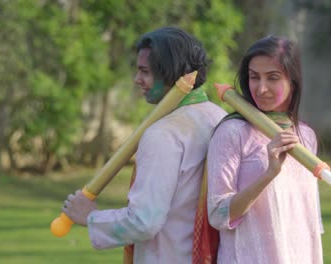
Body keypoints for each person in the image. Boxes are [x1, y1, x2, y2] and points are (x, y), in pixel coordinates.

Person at [63, 27, 227, 263]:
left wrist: (90, 217)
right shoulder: (220, 118)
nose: (137, 79)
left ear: (171, 73)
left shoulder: (164, 133)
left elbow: (144, 221)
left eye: (145, 72)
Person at [207, 36, 324, 263]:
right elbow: (218, 213)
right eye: (254, 77)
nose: (261, 89)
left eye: (272, 78)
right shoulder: (232, 132)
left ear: (294, 81)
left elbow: (310, 221)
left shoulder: (306, 136)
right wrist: (269, 173)